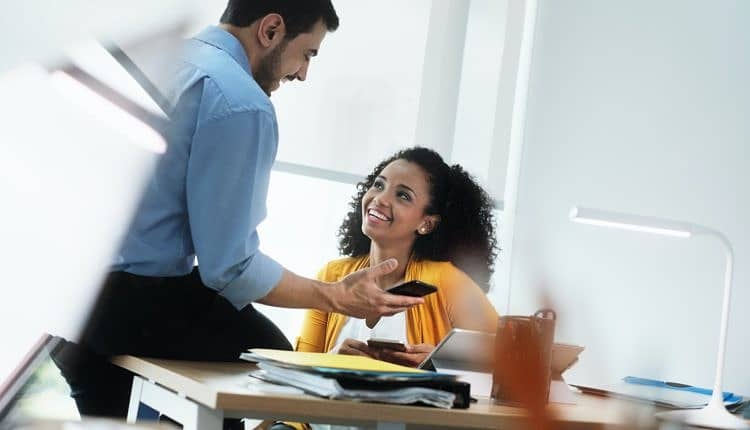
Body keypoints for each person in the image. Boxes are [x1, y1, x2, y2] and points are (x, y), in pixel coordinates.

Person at [53, 0, 422, 423]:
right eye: (308, 54)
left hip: (64, 300)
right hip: (125, 304)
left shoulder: (164, 58)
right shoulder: (239, 100)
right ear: (270, 30)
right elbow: (229, 267)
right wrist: (338, 296)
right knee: (281, 368)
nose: (303, 73)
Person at [295, 147, 500, 368]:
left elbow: (512, 366)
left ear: (426, 223)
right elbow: (294, 372)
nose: (380, 199)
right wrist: (332, 360)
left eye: (403, 196)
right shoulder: (332, 275)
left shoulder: (448, 282)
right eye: (379, 185)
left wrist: (437, 365)